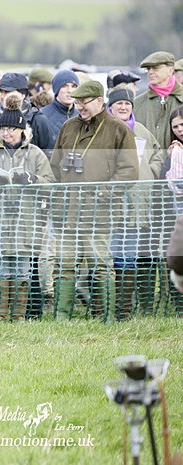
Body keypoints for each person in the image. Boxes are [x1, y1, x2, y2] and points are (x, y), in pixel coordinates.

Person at [49, 80, 139, 321]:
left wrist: (102, 193)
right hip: (68, 211)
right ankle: (61, 317)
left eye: (84, 102)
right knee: (64, 265)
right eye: (77, 103)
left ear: (100, 101)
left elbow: (129, 171)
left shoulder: (119, 129)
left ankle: (108, 318)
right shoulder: (68, 126)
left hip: (100, 212)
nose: (80, 107)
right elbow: (55, 167)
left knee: (101, 265)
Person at [0, 95, 55, 321]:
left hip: (26, 220)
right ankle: (1, 316)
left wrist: (32, 179)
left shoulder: (35, 153)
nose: (6, 133)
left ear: (21, 129)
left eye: (11, 129)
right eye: (3, 129)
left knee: (22, 269)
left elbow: (51, 184)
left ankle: (18, 316)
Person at [107, 85, 164, 319]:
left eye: (127, 104)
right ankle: (111, 306)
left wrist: (150, 170)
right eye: (118, 103)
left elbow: (158, 153)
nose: (123, 107)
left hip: (140, 203)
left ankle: (126, 310)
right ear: (110, 107)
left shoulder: (141, 130)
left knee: (134, 255)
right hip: (112, 204)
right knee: (114, 255)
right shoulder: (105, 130)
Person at [0, 72, 54, 156]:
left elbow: (49, 157)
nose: (3, 96)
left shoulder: (38, 121)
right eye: (1, 91)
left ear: (23, 94)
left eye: (8, 92)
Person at [133, 50, 183, 148]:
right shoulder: (137, 104)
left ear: (170, 70)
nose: (150, 72)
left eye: (156, 68)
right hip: (148, 162)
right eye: (148, 69)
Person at [39, 69, 80, 150]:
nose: (70, 91)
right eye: (64, 86)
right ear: (56, 89)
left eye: (73, 86)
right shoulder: (42, 116)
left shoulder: (81, 115)